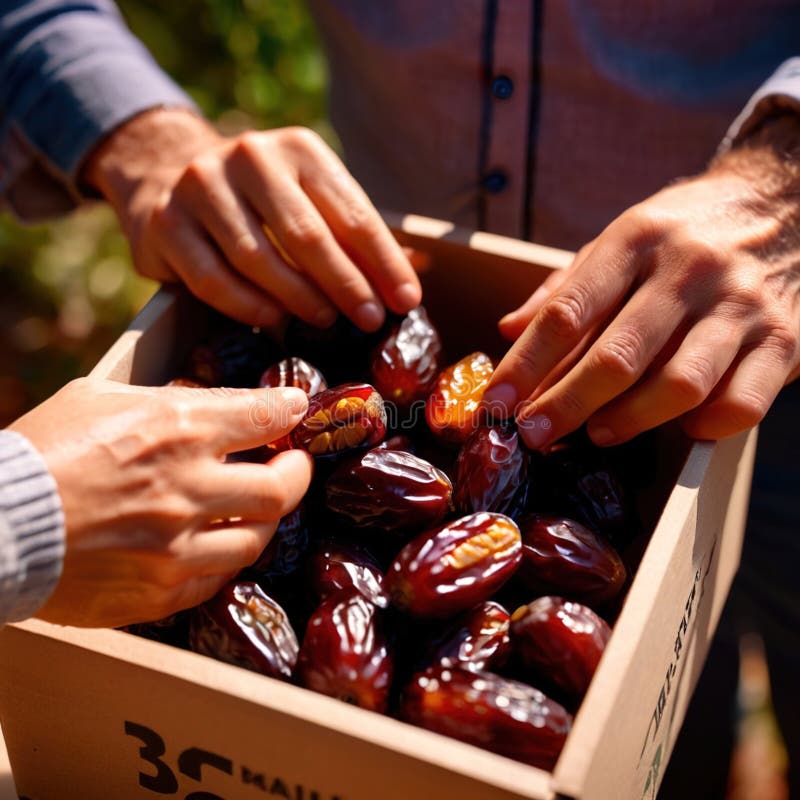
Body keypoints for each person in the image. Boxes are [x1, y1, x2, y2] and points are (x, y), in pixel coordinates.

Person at [2, 0, 798, 793]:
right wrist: (130, 124)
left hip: (763, 320)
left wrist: (785, 179)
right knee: (649, 709)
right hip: (362, 276)